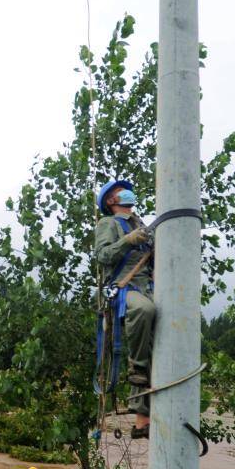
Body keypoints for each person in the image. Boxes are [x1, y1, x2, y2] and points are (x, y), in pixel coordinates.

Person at [94, 179, 155, 438]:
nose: (127, 193)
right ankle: (137, 379)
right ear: (110, 200)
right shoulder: (108, 224)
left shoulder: (143, 225)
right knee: (144, 311)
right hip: (124, 288)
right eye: (120, 191)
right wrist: (128, 241)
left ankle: (144, 420)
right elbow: (103, 256)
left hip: (150, 285)